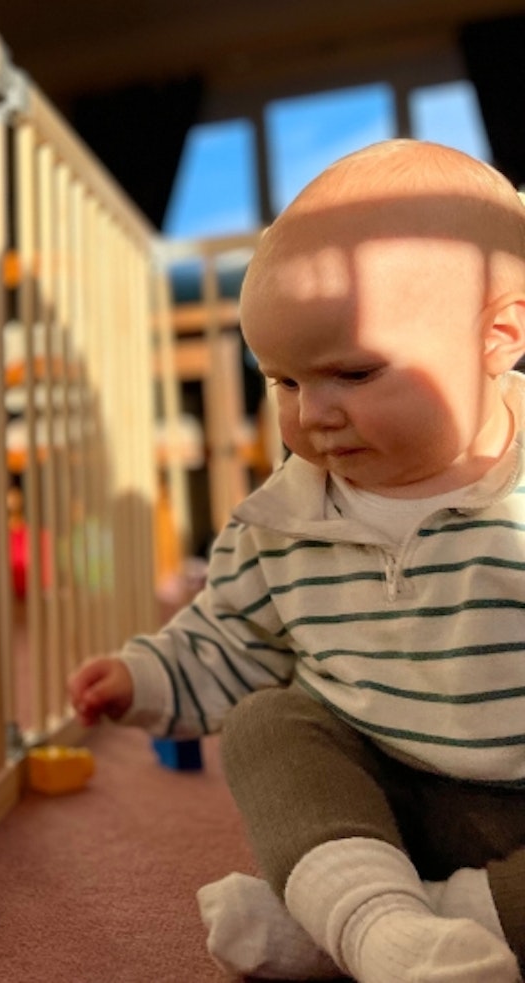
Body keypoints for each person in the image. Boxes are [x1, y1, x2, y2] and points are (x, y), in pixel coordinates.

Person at [68, 139, 525, 983]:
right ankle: (382, 921)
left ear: (500, 336)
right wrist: (146, 676)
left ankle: (368, 929)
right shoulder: (285, 517)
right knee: (268, 725)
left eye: (353, 372)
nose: (313, 415)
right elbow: (230, 639)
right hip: (377, 803)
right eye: (282, 382)